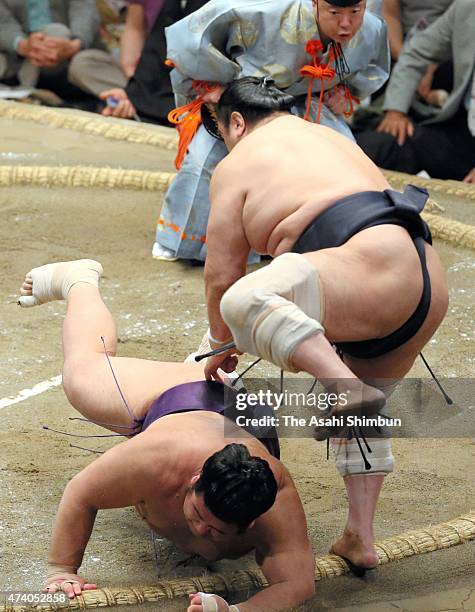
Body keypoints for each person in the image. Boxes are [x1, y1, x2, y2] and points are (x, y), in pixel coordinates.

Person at [200, 77, 448, 573]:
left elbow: (221, 275)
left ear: (236, 123)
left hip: (369, 266)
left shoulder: (238, 161)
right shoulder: (331, 137)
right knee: (354, 418)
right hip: (424, 277)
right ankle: (360, 537)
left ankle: (344, 385)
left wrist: (217, 345)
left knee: (244, 298)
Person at [18, 259, 315, 612]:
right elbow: (81, 494)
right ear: (193, 481)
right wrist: (62, 569)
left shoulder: (274, 501)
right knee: (81, 376)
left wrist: (234, 611)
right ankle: (77, 280)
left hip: (248, 420)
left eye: (217, 530)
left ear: (251, 523)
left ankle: (212, 369)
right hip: (181, 398)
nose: (202, 531)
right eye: (200, 515)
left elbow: (297, 584)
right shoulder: (155, 458)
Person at [152, 0, 389, 262]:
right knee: (209, 159)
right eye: (335, 13)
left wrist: (345, 92)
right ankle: (185, 241)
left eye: (355, 12)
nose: (346, 24)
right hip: (244, 97)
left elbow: (371, 69)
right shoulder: (260, 10)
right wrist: (211, 81)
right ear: (315, 3)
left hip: (306, 99)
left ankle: (335, 239)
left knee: (343, 154)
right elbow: (191, 38)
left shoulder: (372, 28)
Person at [356, 0, 475, 181]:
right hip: (461, 128)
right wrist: (396, 112)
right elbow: (416, 53)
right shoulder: (466, 7)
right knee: (373, 147)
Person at [0, 0, 101, 91]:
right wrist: (22, 45)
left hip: (66, 50)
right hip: (15, 56)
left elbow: (84, 10)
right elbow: (3, 23)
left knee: (57, 31)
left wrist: (75, 44)